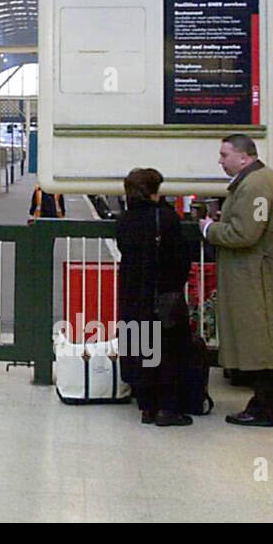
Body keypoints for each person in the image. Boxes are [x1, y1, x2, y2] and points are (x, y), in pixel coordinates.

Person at [199, 134, 273, 427]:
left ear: (244, 157)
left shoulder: (255, 186)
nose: (220, 161)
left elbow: (246, 233)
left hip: (259, 279)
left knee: (263, 342)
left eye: (224, 155)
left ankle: (262, 408)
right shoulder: (266, 180)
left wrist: (210, 229)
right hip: (269, 274)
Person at [117, 167, 192, 426]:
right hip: (162, 295)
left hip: (133, 293)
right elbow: (181, 258)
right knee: (169, 349)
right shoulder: (166, 218)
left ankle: (146, 407)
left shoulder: (124, 220)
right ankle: (167, 409)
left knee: (142, 348)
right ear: (152, 192)